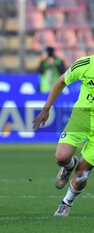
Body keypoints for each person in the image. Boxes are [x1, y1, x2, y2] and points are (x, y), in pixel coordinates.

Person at [33, 55, 93, 216]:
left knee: (82, 174)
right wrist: (46, 109)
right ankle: (68, 165)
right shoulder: (86, 64)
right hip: (81, 118)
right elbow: (61, 81)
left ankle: (66, 204)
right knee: (61, 157)